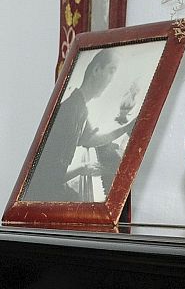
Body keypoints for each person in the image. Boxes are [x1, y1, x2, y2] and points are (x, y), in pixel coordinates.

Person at [22, 45, 134, 202]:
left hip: (46, 185)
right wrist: (82, 169)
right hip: (42, 194)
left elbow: (90, 139)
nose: (112, 80)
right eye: (111, 71)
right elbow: (51, 180)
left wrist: (127, 127)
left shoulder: (78, 105)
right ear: (96, 70)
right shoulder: (72, 112)